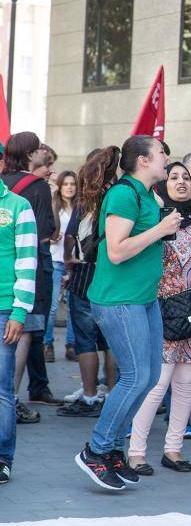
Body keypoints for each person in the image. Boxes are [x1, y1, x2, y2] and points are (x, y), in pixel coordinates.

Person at [75, 135, 182, 491]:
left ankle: (113, 451)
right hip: (120, 299)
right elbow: (117, 251)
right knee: (136, 377)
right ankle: (97, 450)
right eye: (162, 154)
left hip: (143, 298)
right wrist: (160, 230)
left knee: (149, 378)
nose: (167, 158)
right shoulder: (124, 194)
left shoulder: (147, 194)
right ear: (145, 161)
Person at [126, 162, 191, 476]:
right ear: (162, 183)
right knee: (157, 385)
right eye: (174, 177)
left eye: (186, 177)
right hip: (163, 308)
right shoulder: (154, 220)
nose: (182, 181)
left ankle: (173, 450)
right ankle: (136, 453)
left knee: (187, 384)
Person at [56, 148, 120, 418]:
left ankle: (90, 395)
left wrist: (70, 262)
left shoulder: (85, 201)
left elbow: (70, 237)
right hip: (114, 276)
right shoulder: (120, 196)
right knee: (112, 342)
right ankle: (115, 396)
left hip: (84, 276)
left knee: (85, 340)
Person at [1, 133, 60, 425]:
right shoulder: (36, 188)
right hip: (28, 271)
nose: (42, 153)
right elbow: (47, 232)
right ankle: (10, 401)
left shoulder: (6, 183)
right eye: (38, 148)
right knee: (22, 333)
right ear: (28, 154)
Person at [0, 175, 38, 485]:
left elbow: (27, 260)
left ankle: (3, 458)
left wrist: (19, 310)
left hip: (4, 310)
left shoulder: (18, 206)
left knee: (1, 389)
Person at [44, 170, 78, 362]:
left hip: (76, 263)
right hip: (56, 260)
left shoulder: (80, 207)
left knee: (74, 307)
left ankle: (71, 345)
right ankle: (47, 344)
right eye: (65, 184)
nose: (69, 187)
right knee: (52, 307)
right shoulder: (54, 206)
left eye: (72, 184)